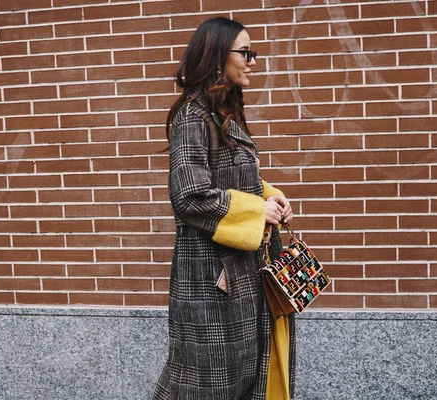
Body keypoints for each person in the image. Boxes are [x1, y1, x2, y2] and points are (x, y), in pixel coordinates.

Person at [153, 17, 296, 400]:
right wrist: (255, 213)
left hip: (244, 272)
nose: (252, 61)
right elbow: (189, 194)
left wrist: (270, 197)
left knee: (249, 375)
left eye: (254, 53)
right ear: (218, 56)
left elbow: (231, 176)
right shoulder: (192, 117)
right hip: (210, 279)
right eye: (245, 52)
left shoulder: (225, 112)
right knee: (208, 384)